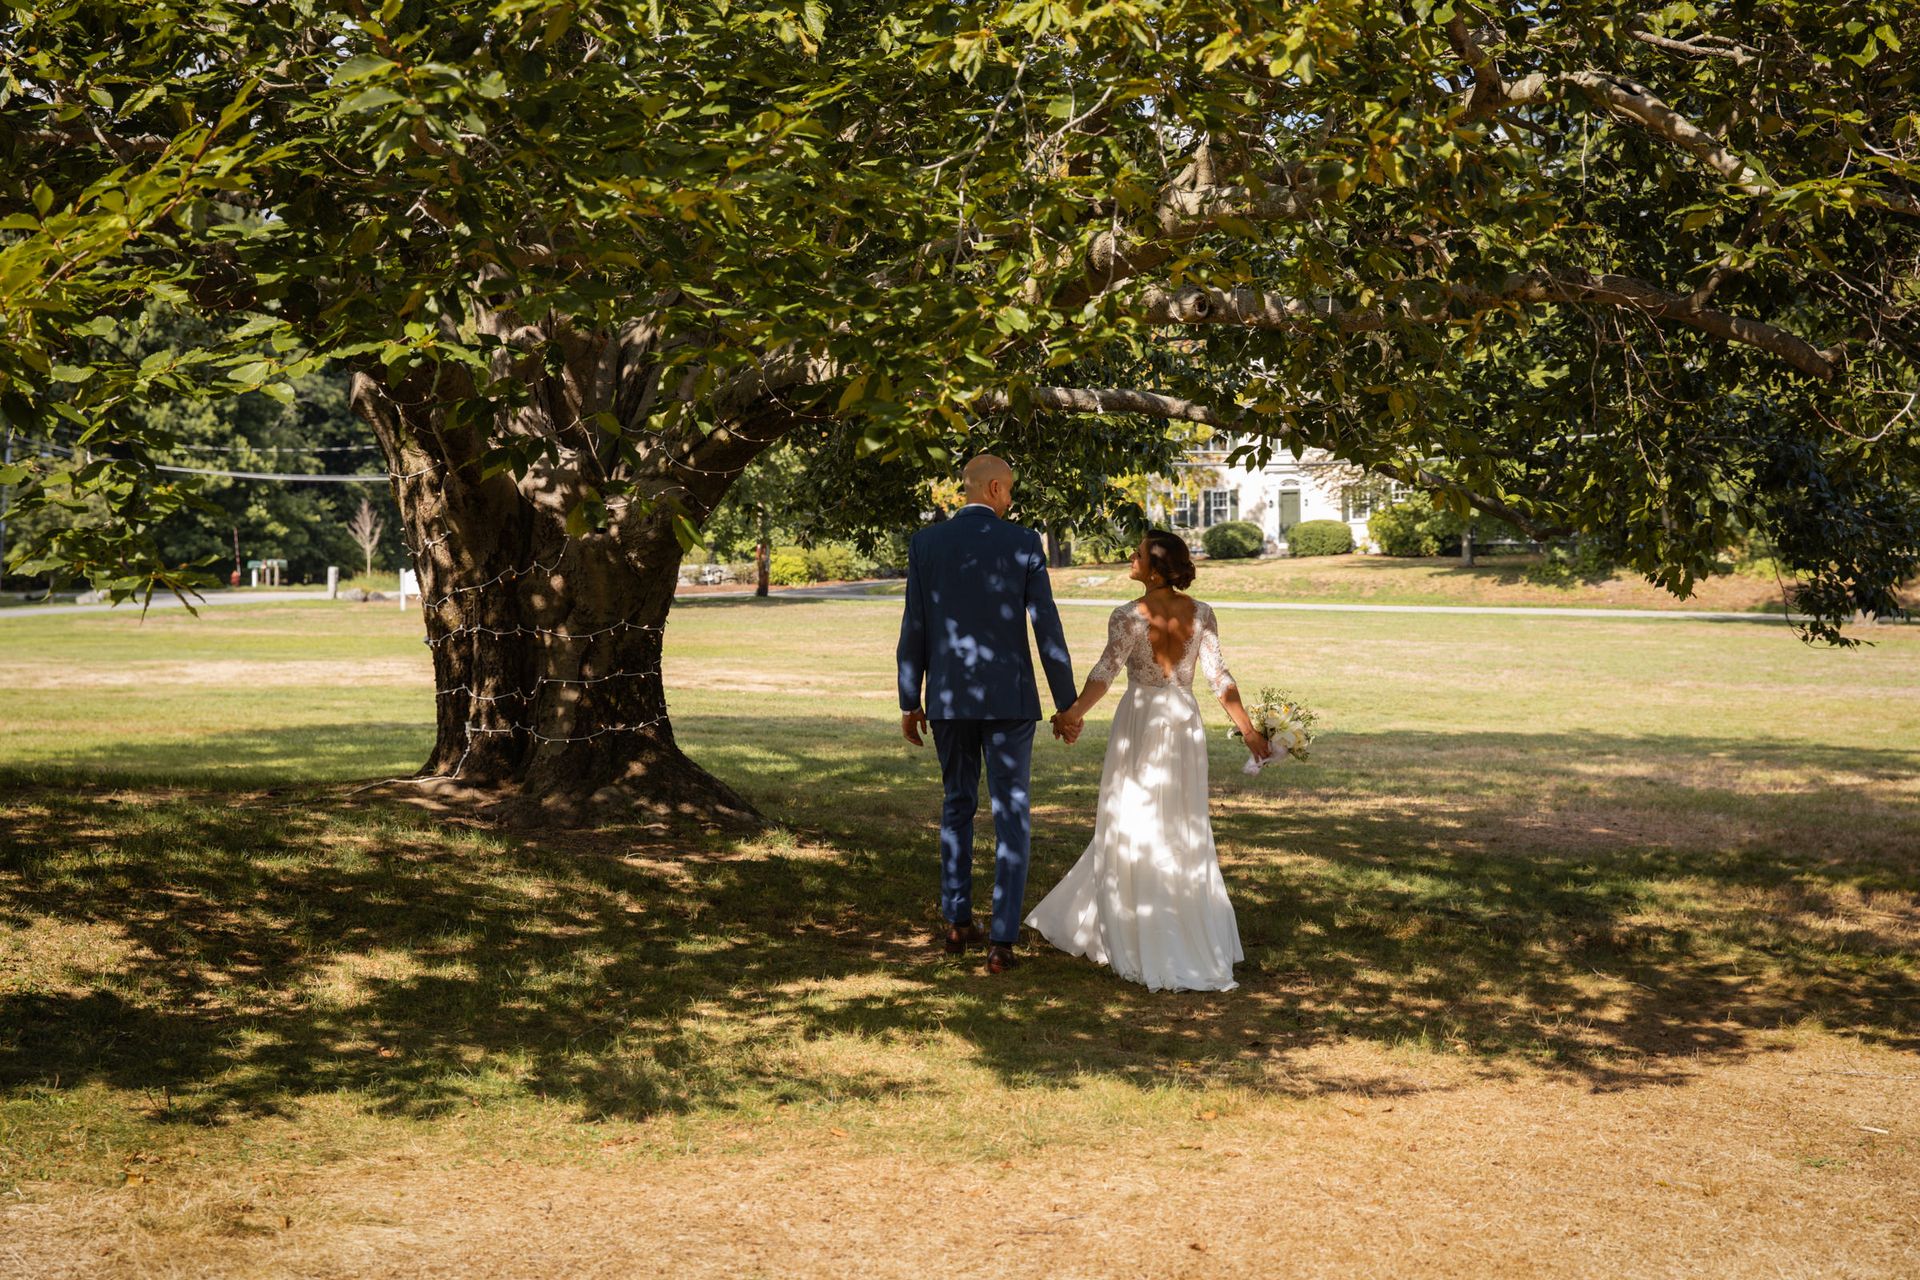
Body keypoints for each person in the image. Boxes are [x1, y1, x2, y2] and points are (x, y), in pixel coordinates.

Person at [1025, 530, 1268, 992]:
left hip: (1140, 717)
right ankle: (1173, 920)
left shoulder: (1126, 617)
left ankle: (1138, 926)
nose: (1129, 560)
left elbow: (1104, 673)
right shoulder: (1202, 614)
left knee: (1132, 816)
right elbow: (1220, 679)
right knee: (1180, 822)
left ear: (1154, 569)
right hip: (1183, 717)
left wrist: (1071, 714)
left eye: (1136, 555)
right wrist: (1250, 732)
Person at [896, 455, 1077, 974]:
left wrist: (911, 699)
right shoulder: (1021, 542)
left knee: (957, 804)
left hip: (949, 700)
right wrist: (1065, 703)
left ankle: (956, 923)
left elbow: (915, 626)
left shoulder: (925, 544)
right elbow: (1047, 627)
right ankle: (1001, 939)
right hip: (1009, 699)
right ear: (995, 488)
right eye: (1010, 490)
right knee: (1011, 812)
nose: (1011, 500)